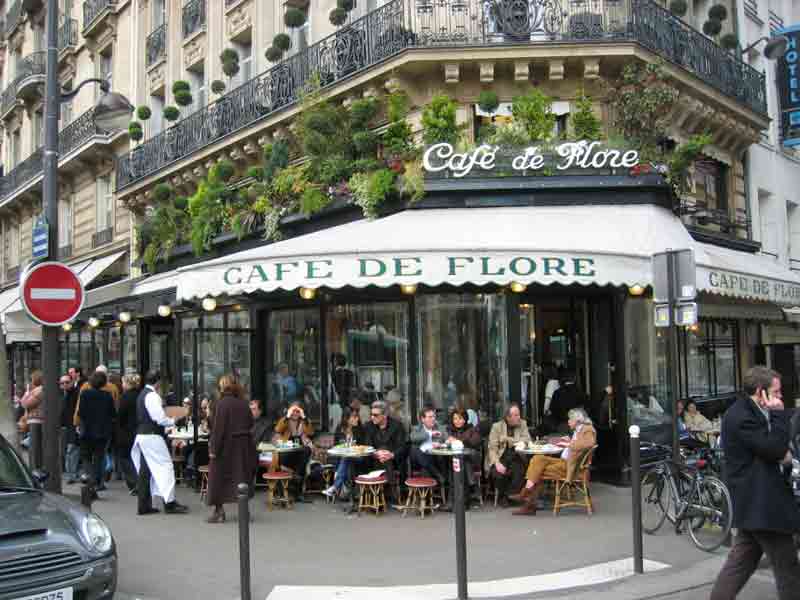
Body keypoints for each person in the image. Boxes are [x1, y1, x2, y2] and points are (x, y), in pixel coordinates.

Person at [710, 366, 800, 600]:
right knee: (787, 566)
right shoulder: (742, 417)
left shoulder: (754, 411)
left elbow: (775, 449)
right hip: (762, 502)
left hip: (757, 504)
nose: (780, 397)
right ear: (761, 392)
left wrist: (784, 455)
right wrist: (780, 418)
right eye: (777, 392)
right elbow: (774, 449)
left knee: (741, 562)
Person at [510, 408, 597, 515]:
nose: (568, 422)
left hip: (572, 468)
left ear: (577, 420)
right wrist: (568, 441)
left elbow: (589, 443)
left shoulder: (587, 429)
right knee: (538, 458)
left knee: (539, 470)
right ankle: (526, 494)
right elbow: (579, 444)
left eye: (570, 419)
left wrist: (569, 444)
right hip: (564, 462)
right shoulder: (578, 430)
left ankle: (527, 501)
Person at [131, 370, 189, 515]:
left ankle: (143, 505)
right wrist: (172, 421)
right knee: (166, 466)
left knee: (146, 471)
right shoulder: (152, 396)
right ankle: (169, 503)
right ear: (157, 382)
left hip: (142, 435)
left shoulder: (142, 394)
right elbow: (159, 418)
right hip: (152, 436)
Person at [207, 375, 256, 523]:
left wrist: (214, 449)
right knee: (241, 477)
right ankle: (244, 512)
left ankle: (219, 511)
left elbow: (219, 429)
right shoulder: (243, 403)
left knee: (217, 477)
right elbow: (250, 422)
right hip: (243, 445)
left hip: (227, 446)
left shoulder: (222, 404)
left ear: (222, 387)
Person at [77, 370, 116, 491]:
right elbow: (112, 413)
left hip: (87, 430)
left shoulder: (85, 394)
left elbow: (81, 412)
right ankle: (99, 481)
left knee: (86, 456)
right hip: (102, 431)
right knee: (100, 456)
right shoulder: (107, 395)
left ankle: (90, 478)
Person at [486, 403, 531, 507]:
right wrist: (497, 463)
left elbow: (527, 440)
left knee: (519, 470)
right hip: (500, 456)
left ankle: (509, 496)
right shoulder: (497, 427)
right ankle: (504, 496)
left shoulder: (522, 424)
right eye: (516, 415)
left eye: (519, 414)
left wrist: (508, 439)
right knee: (498, 473)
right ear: (508, 417)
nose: (519, 417)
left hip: (516, 455)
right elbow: (492, 448)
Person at [363, 400, 407, 503]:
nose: (372, 417)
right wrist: (377, 453)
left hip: (394, 459)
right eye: (371, 414)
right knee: (382, 457)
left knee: (387, 459)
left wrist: (391, 454)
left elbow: (403, 446)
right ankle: (393, 494)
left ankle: (378, 497)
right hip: (374, 459)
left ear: (385, 415)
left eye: (375, 415)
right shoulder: (369, 426)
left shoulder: (397, 426)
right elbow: (367, 445)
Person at [273, 400, 314, 500]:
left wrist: (304, 417)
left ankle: (297, 481)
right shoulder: (285, 420)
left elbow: (311, 432)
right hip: (286, 451)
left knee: (307, 451)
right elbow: (278, 429)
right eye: (293, 411)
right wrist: (287, 416)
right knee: (299, 464)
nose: (295, 414)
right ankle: (296, 479)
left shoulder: (304, 421)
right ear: (290, 411)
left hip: (299, 451)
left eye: (298, 411)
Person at [323, 408, 365, 499]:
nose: (357, 419)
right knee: (346, 459)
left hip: (359, 458)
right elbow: (336, 446)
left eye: (357, 417)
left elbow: (364, 446)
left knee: (346, 458)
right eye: (354, 417)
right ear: (346, 419)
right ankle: (348, 494)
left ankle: (335, 487)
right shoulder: (340, 429)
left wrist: (355, 446)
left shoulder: (360, 429)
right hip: (343, 459)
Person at [447, 406, 482, 507]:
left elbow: (475, 442)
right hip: (453, 460)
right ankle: (463, 500)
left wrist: (458, 441)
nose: (457, 421)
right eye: (455, 419)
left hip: (471, 459)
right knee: (456, 464)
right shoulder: (450, 430)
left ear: (465, 419)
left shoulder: (472, 429)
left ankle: (456, 502)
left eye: (460, 418)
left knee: (462, 463)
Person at [409, 405, 448, 486]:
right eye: (430, 417)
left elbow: (447, 441)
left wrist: (440, 445)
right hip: (418, 461)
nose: (433, 419)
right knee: (416, 449)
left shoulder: (440, 428)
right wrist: (430, 434)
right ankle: (437, 474)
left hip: (434, 459)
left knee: (425, 469)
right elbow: (413, 438)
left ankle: (429, 493)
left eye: (434, 416)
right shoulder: (416, 428)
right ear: (422, 419)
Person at [116, 374, 141, 494]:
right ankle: (139, 482)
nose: (122, 385)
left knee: (124, 458)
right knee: (137, 457)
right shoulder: (140, 395)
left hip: (126, 432)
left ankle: (134, 482)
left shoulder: (125, 397)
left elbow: (120, 416)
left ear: (127, 384)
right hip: (139, 430)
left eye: (123, 383)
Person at [60, 374, 81, 484]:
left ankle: (71, 475)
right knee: (69, 451)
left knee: (71, 451)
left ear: (72, 382)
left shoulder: (76, 393)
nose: (64, 385)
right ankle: (72, 474)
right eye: (62, 383)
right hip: (66, 427)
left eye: (67, 382)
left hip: (73, 426)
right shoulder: (63, 394)